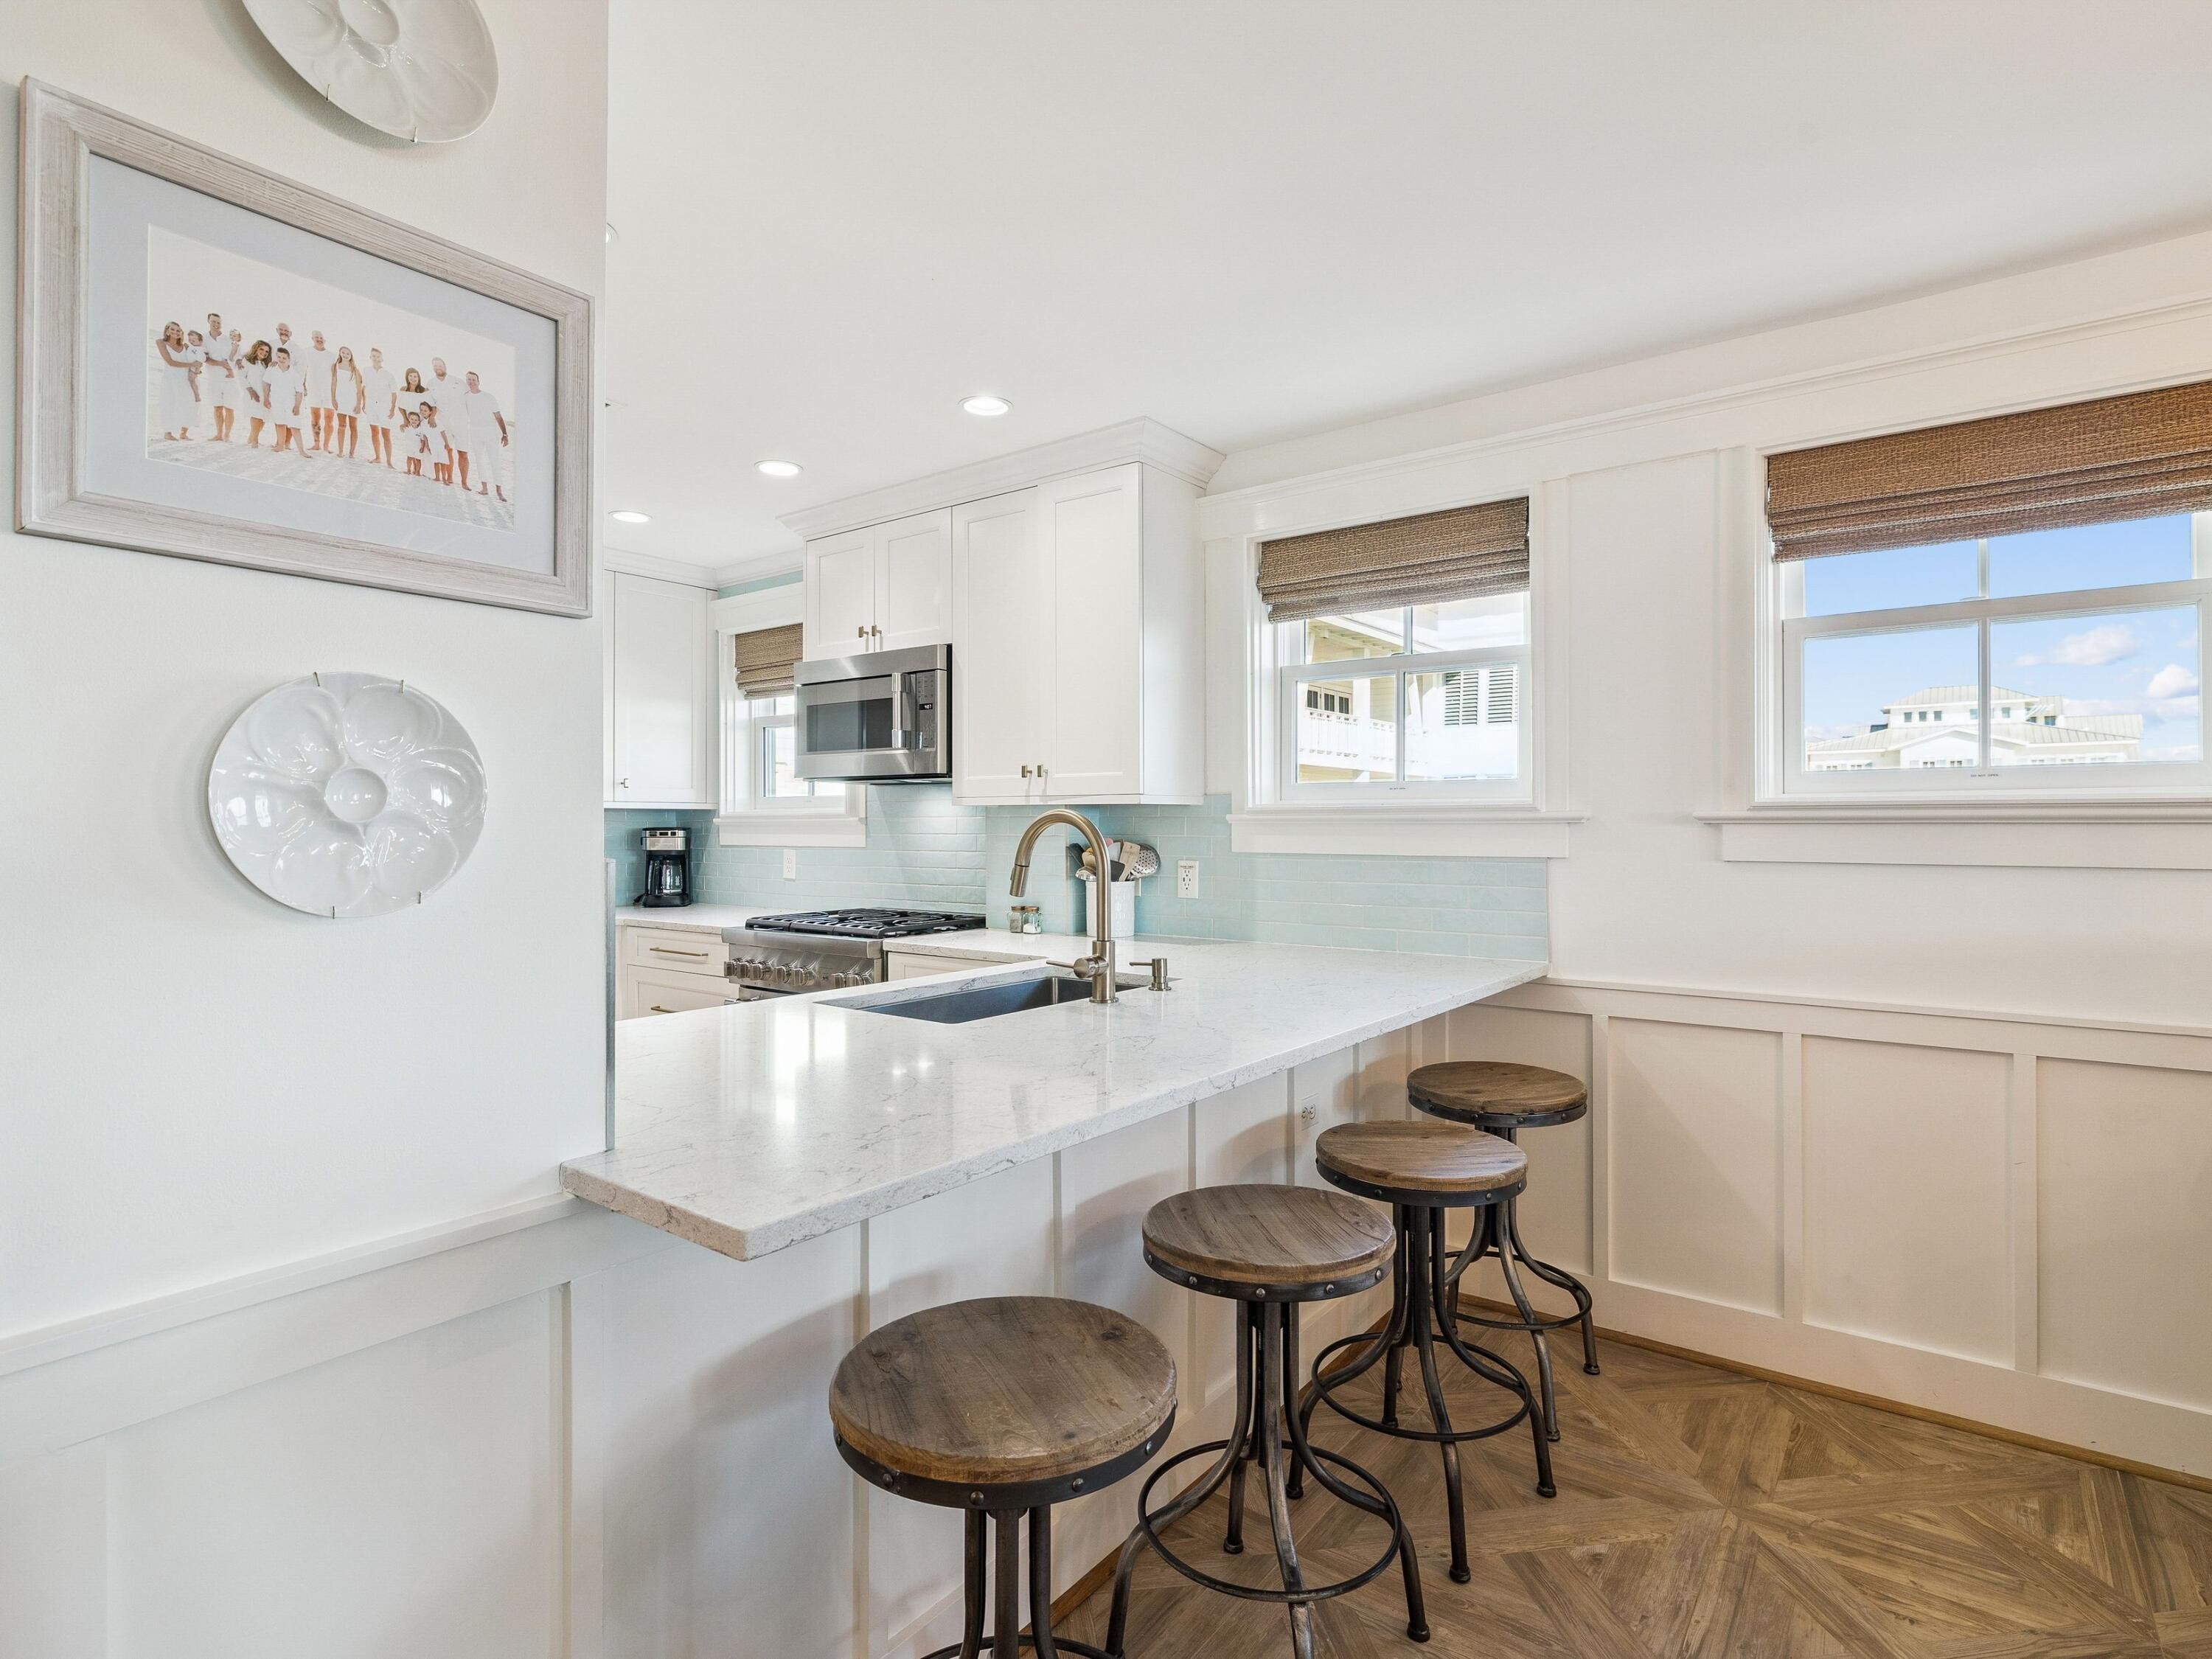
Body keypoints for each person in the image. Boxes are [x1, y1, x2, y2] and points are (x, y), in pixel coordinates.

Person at [460, 372, 510, 502]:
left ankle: (499, 491)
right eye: (469, 379)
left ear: (478, 381)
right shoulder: (465, 397)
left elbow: (498, 416)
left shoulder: (488, 397)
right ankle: (484, 488)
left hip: (490, 432)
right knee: (479, 460)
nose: (471, 382)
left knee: (494, 461)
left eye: (474, 379)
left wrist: (505, 434)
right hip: (475, 432)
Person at [429, 357, 471, 492]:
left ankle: (464, 482)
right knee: (447, 450)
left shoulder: (458, 382)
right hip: (443, 423)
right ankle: (449, 477)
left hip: (461, 423)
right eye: (435, 366)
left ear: (445, 366)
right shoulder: (431, 384)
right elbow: (431, 404)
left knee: (463, 453)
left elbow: (470, 399)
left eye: (440, 365)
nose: (438, 368)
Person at [153, 321, 197, 441]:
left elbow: (197, 357)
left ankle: (183, 433)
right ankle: (168, 432)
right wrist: (191, 364)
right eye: (172, 330)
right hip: (170, 380)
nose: (175, 332)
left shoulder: (186, 346)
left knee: (188, 404)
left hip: (184, 380)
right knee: (168, 404)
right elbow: (171, 362)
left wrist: (196, 369)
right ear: (167, 331)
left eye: (178, 330)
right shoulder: (161, 343)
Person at [203, 314, 238, 442]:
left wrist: (231, 368)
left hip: (229, 379)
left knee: (229, 408)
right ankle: (219, 434)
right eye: (213, 321)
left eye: (218, 322)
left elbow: (234, 356)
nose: (216, 324)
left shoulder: (227, 339)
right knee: (217, 408)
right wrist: (219, 364)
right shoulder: (204, 338)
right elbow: (204, 358)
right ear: (208, 321)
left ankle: (227, 435)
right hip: (213, 378)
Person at [361, 348, 398, 467]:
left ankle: (389, 461)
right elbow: (364, 388)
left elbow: (394, 393)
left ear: (382, 359)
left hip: (384, 406)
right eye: (373, 356)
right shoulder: (366, 371)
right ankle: (378, 457)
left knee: (386, 433)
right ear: (370, 357)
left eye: (378, 356)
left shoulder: (388, 374)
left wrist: (392, 408)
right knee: (374, 432)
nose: (376, 358)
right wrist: (364, 403)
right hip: (371, 405)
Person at [266, 346, 306, 453]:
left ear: (289, 359)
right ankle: (280, 446)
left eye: (284, 358)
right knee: (280, 423)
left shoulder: (294, 373)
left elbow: (299, 392)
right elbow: (266, 383)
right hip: (276, 401)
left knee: (295, 426)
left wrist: (297, 406)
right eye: (279, 357)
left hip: (291, 403)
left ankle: (302, 450)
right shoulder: (272, 369)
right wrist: (266, 398)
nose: (281, 360)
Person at [304, 330, 336, 453]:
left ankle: (326, 445)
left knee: (329, 418)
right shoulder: (307, 352)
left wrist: (335, 392)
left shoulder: (332, 355)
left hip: (328, 392)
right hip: (313, 390)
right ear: (312, 339)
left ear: (325, 340)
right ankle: (316, 444)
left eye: (321, 338)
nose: (319, 339)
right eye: (316, 337)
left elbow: (335, 375)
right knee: (315, 417)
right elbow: (303, 369)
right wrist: (303, 386)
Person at [240, 339, 274, 447]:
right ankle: (255, 441)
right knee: (256, 416)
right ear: (256, 348)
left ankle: (252, 438)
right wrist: (250, 390)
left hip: (265, 394)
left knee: (263, 417)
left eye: (267, 351)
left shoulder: (266, 364)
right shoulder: (247, 360)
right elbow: (241, 377)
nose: (264, 353)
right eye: (262, 349)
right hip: (253, 392)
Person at [332, 346, 364, 459]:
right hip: (341, 399)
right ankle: (340, 451)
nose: (345, 355)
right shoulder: (336, 366)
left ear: (351, 356)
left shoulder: (355, 369)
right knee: (341, 425)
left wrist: (359, 404)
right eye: (343, 353)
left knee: (353, 426)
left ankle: (352, 453)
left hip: (353, 400)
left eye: (347, 353)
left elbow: (359, 388)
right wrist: (333, 399)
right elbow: (334, 384)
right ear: (340, 353)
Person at [420, 400, 451, 484]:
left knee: (443, 462)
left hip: (441, 445)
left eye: (425, 410)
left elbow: (443, 432)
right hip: (432, 445)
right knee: (436, 462)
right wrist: (427, 445)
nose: (423, 412)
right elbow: (425, 435)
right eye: (421, 410)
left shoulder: (436, 421)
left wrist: (447, 443)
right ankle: (437, 477)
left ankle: (444, 479)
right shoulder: (422, 423)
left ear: (430, 412)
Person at [402, 409, 427, 477]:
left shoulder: (420, 429)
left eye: (416, 420)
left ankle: (418, 472)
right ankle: (408, 470)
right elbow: (401, 428)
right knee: (409, 458)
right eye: (412, 419)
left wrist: (422, 447)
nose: (414, 421)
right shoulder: (408, 427)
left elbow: (423, 440)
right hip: (409, 446)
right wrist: (401, 426)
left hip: (418, 447)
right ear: (409, 419)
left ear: (419, 421)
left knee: (418, 460)